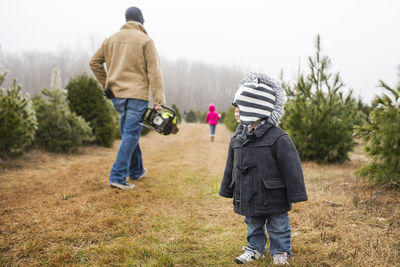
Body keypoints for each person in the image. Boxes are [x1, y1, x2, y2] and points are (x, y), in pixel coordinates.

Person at [219, 72, 308, 265]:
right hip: (248, 191)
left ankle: (280, 252)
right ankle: (255, 249)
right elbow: (230, 165)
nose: (235, 111)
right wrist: (228, 188)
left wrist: (296, 193)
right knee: (253, 224)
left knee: (278, 225)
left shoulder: (278, 137)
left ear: (256, 107)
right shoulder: (237, 137)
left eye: (240, 107)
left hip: (273, 193)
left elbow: (291, 167)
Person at [89, 6, 166, 190]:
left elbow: (94, 62)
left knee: (128, 134)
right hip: (137, 96)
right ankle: (117, 176)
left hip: (117, 96)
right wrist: (159, 101)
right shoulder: (146, 40)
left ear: (126, 20)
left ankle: (137, 171)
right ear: (142, 21)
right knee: (131, 134)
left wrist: (106, 84)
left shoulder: (111, 40)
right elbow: (154, 72)